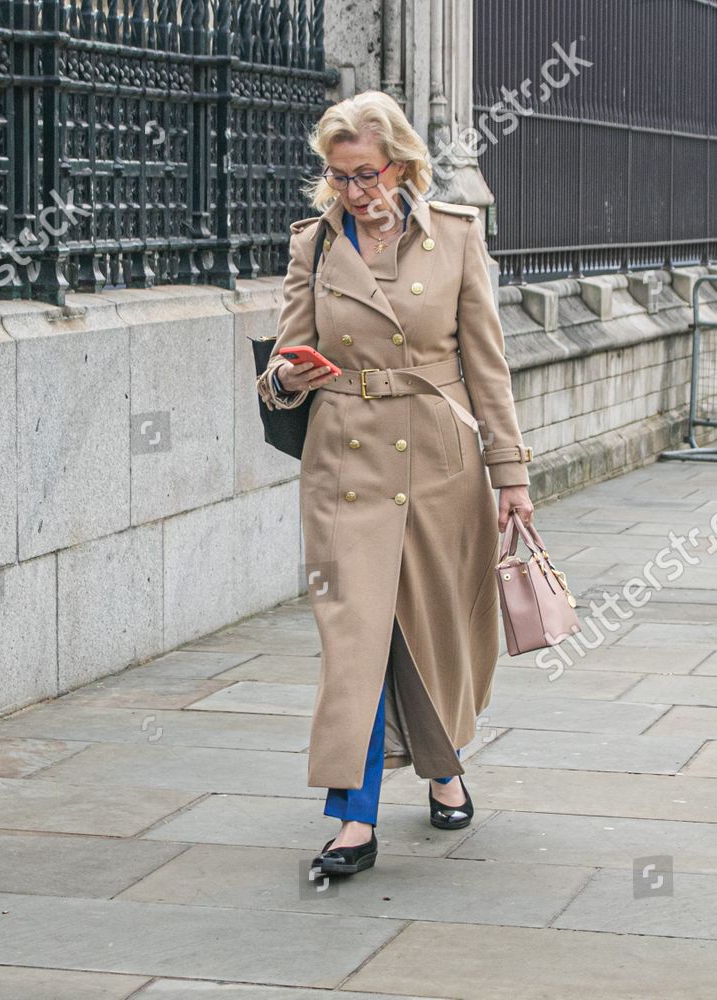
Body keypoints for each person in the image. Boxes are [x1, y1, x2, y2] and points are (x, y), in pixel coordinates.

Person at [255, 90, 535, 877]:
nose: (353, 191)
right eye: (339, 176)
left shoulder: (453, 238)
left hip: (439, 462)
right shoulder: (313, 246)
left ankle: (443, 765)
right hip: (344, 462)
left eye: (367, 174)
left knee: (428, 633)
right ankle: (353, 818)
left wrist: (509, 475)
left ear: (403, 165)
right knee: (356, 638)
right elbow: (282, 363)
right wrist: (285, 376)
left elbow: (487, 366)